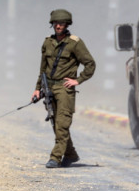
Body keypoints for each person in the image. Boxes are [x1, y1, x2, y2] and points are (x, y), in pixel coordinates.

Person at [31, 9, 95, 168]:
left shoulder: (75, 43)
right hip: (49, 87)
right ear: (52, 24)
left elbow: (90, 64)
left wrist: (78, 80)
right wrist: (38, 88)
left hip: (65, 89)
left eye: (62, 23)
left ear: (67, 24)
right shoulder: (47, 42)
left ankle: (56, 157)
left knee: (62, 124)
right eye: (56, 23)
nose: (58, 26)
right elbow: (43, 68)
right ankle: (71, 154)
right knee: (55, 122)